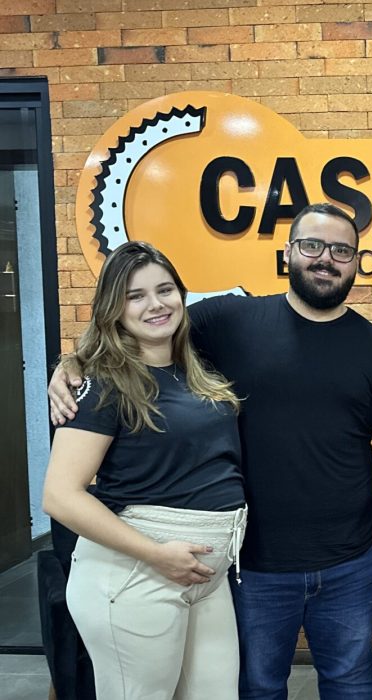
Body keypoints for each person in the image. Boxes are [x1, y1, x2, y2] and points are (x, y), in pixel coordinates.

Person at [49, 203, 372, 700]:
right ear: (288, 253)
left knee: (350, 682)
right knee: (257, 687)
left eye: (341, 250)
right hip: (253, 564)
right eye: (312, 245)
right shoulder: (229, 319)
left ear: (357, 261)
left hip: (350, 562)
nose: (325, 258)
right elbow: (142, 327)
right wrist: (73, 363)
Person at [42, 241, 247, 699]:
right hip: (137, 574)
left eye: (165, 290)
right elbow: (60, 495)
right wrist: (155, 554)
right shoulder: (101, 383)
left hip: (204, 577)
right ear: (113, 309)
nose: (155, 304)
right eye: (135, 296)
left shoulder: (194, 371)